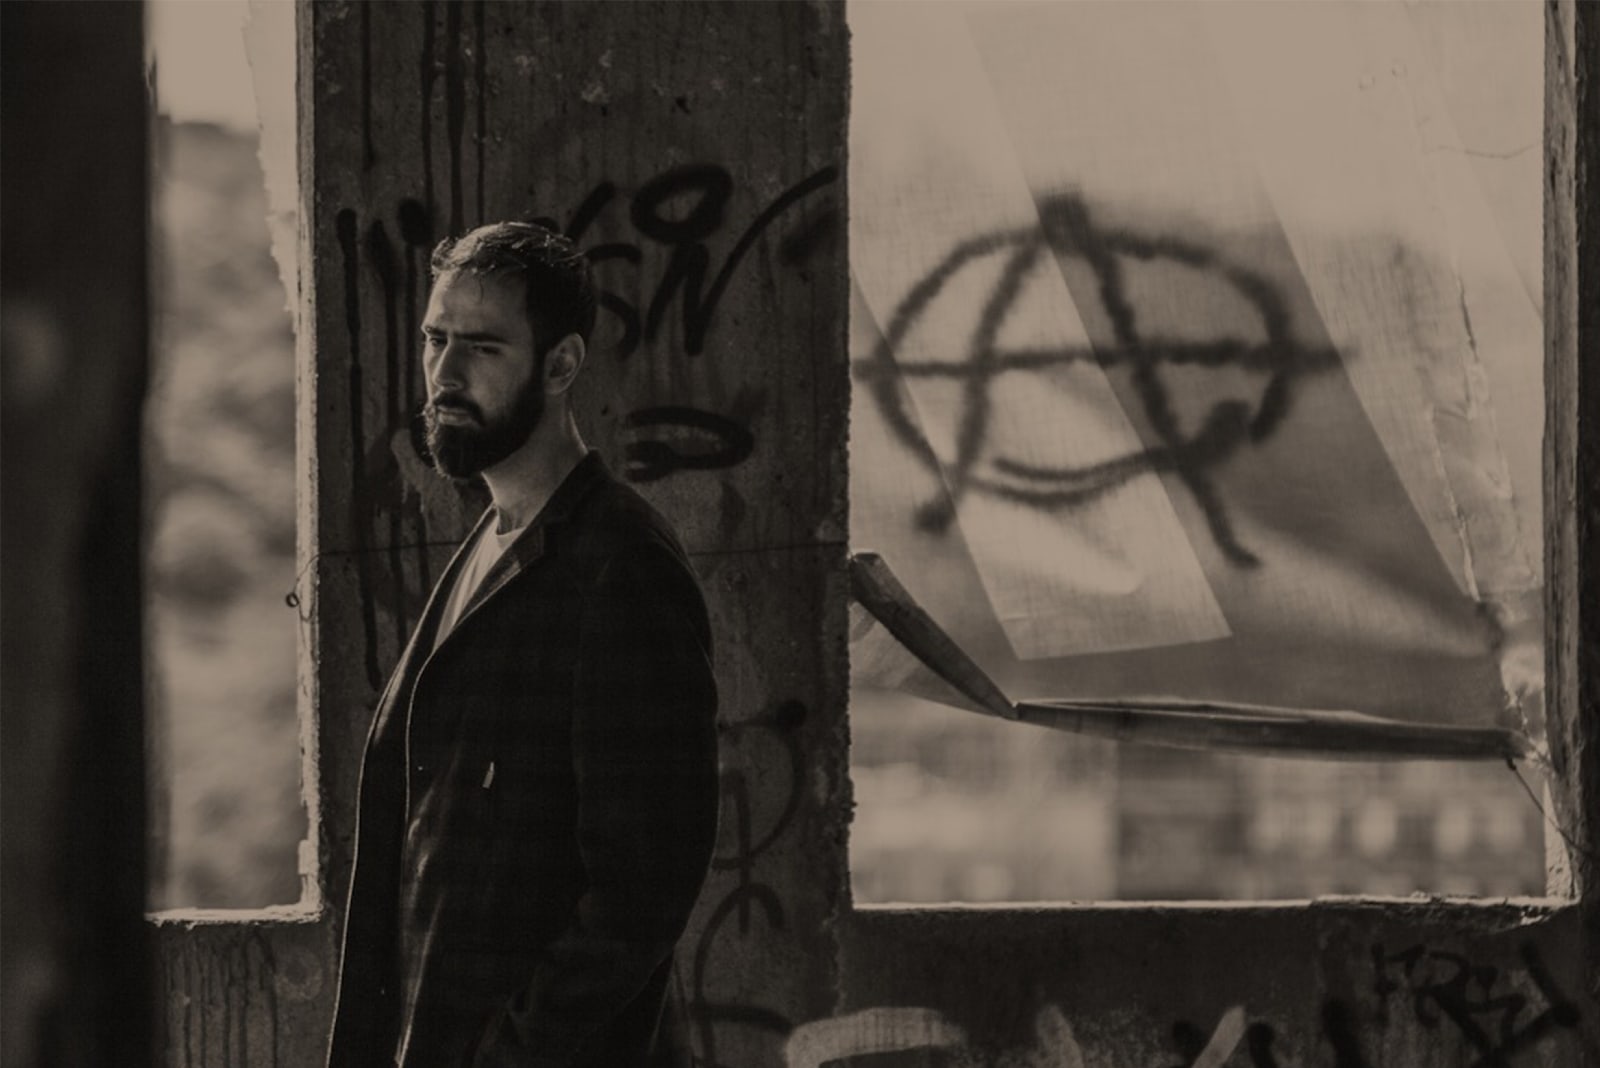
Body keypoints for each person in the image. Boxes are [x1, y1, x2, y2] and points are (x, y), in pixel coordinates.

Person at [326, 222, 721, 1068]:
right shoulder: (491, 540)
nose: (444, 375)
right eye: (435, 339)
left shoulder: (622, 568)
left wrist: (508, 1052)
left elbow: (643, 889)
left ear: (562, 363)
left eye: (482, 347)